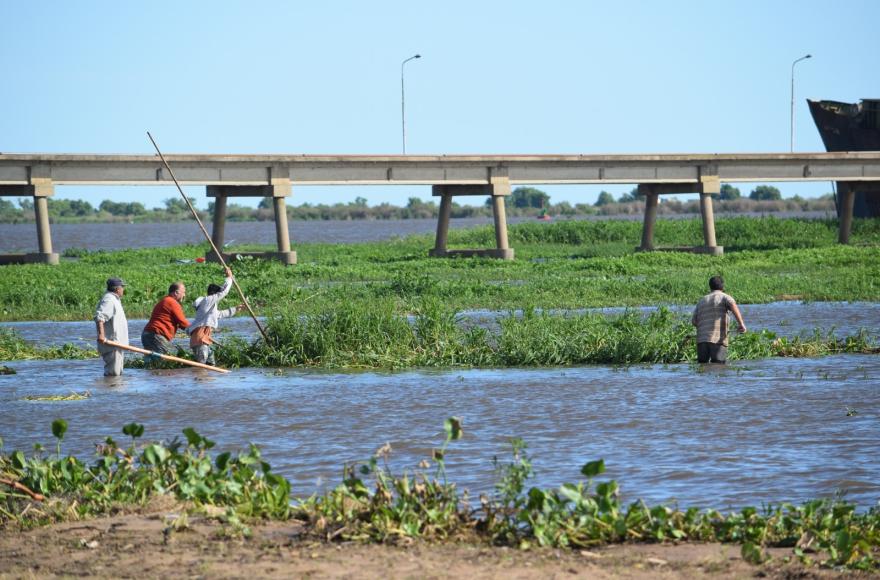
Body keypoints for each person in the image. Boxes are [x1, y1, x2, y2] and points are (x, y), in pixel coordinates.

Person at [188, 267, 242, 365]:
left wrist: (236, 309)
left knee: (211, 363)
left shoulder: (209, 307)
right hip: (200, 339)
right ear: (214, 294)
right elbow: (224, 292)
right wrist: (229, 277)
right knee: (201, 367)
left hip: (204, 340)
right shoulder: (208, 300)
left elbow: (219, 314)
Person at [691, 276, 747, 364]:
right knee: (719, 366)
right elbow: (733, 305)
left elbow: (694, 321)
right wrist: (741, 324)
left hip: (702, 339)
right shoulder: (725, 297)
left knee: (702, 367)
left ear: (710, 287)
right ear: (722, 286)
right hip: (717, 339)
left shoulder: (702, 300)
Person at [141, 281, 190, 358]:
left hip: (148, 335)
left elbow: (179, 323)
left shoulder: (165, 300)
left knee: (152, 362)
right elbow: (182, 322)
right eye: (183, 292)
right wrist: (195, 330)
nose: (184, 295)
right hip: (155, 336)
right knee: (170, 359)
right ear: (176, 292)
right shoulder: (172, 302)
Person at [95, 277, 128, 376]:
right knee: (113, 374)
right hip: (112, 344)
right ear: (118, 289)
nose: (123, 290)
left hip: (118, 345)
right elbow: (100, 317)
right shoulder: (109, 299)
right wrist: (101, 335)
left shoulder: (114, 299)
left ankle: (111, 391)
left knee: (117, 375)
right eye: (122, 287)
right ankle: (109, 391)